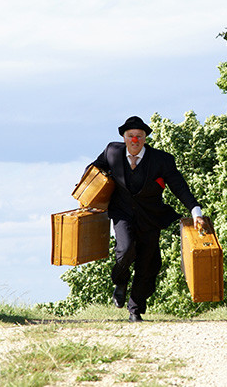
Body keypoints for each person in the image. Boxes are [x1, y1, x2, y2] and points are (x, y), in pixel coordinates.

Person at [87, 115, 207, 322]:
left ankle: (135, 310)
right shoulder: (112, 152)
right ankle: (120, 282)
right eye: (130, 136)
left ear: (145, 138)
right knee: (125, 250)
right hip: (122, 213)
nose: (135, 140)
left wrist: (196, 212)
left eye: (139, 136)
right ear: (124, 138)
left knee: (147, 263)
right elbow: (93, 171)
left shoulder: (162, 160)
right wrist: (88, 197)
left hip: (151, 217)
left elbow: (179, 187)